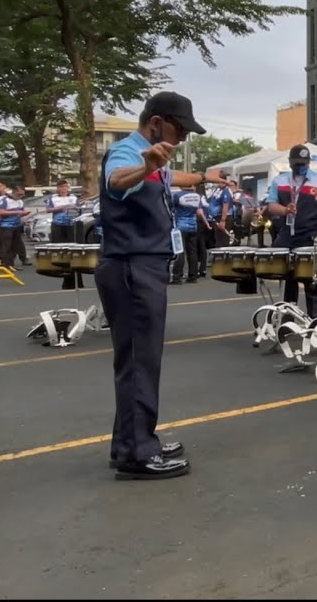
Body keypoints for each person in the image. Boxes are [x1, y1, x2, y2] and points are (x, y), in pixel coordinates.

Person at [98, 91, 229, 480]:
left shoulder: (155, 159)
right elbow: (116, 181)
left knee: (139, 360)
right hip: (132, 268)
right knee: (140, 362)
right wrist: (144, 166)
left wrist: (206, 176)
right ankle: (138, 453)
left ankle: (131, 441)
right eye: (180, 128)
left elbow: (173, 177)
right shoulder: (129, 153)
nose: (184, 137)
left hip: (142, 267)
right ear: (156, 122)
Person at [265, 144, 317, 320]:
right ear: (290, 162)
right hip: (287, 236)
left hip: (312, 236)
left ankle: (316, 325)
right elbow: (271, 205)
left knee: (313, 283)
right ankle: (287, 323)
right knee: (288, 282)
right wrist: (284, 210)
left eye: (304, 162)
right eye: (297, 163)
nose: (301, 166)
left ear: (309, 162)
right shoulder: (280, 181)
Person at [48, 180, 83, 288]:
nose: (63, 189)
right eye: (61, 187)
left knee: (74, 251)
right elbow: (49, 210)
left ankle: (77, 281)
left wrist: (76, 207)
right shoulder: (53, 199)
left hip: (71, 225)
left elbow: (80, 209)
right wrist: (61, 208)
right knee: (61, 252)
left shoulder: (74, 198)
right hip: (58, 225)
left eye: (65, 187)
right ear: (57, 188)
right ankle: (65, 279)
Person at [171, 183, 207, 284]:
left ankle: (177, 277)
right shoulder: (197, 196)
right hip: (193, 226)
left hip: (180, 226)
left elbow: (172, 208)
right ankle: (193, 276)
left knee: (180, 251)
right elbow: (199, 212)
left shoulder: (178, 195)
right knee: (192, 252)